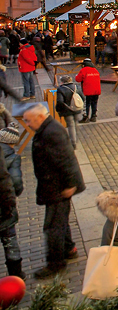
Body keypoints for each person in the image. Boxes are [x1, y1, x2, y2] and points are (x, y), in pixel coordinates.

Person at [24, 103, 85, 279]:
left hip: (58, 188)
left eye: (29, 120)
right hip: (55, 186)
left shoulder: (52, 132)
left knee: (53, 226)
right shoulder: (48, 129)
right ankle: (68, 248)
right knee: (60, 221)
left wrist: (69, 185)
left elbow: (66, 160)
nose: (27, 123)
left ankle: (56, 263)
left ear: (40, 117)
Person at [0, 124, 24, 280]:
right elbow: (15, 183)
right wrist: (11, 202)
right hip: (4, 207)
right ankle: (16, 275)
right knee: (10, 241)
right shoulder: (13, 158)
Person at [56, 75, 85, 150]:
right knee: (76, 124)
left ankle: (73, 143)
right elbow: (83, 97)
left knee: (71, 125)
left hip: (67, 110)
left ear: (62, 82)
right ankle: (76, 139)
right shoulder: (77, 87)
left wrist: (58, 110)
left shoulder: (61, 89)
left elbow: (60, 101)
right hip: (77, 109)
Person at [76, 58, 101, 122]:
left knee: (87, 104)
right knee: (94, 103)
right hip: (96, 90)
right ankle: (93, 116)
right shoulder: (95, 70)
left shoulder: (83, 70)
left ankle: (86, 117)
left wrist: (76, 76)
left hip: (88, 90)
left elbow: (78, 79)